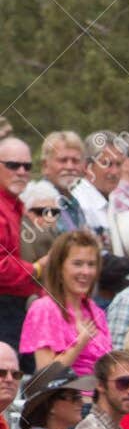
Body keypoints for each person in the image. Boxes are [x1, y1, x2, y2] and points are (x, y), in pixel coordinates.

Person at [19, 230, 110, 378]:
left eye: (91, 264)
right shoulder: (44, 309)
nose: (86, 272)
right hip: (67, 397)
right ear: (60, 268)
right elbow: (45, 375)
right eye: (78, 264)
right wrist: (80, 343)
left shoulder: (95, 310)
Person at [0, 135, 42, 351]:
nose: (22, 172)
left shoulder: (18, 205)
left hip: (22, 308)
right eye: (13, 165)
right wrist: (38, 268)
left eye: (27, 166)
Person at [73, 132, 125, 242]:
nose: (114, 172)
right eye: (107, 164)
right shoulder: (80, 203)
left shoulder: (116, 200)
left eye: (119, 164)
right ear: (87, 166)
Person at [33, 132, 86, 233]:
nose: (70, 167)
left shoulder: (78, 201)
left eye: (75, 161)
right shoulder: (38, 200)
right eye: (63, 160)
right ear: (45, 166)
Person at [19, 183, 62, 266]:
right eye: (41, 212)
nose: (49, 218)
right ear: (26, 212)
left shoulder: (58, 235)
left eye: (54, 212)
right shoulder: (21, 237)